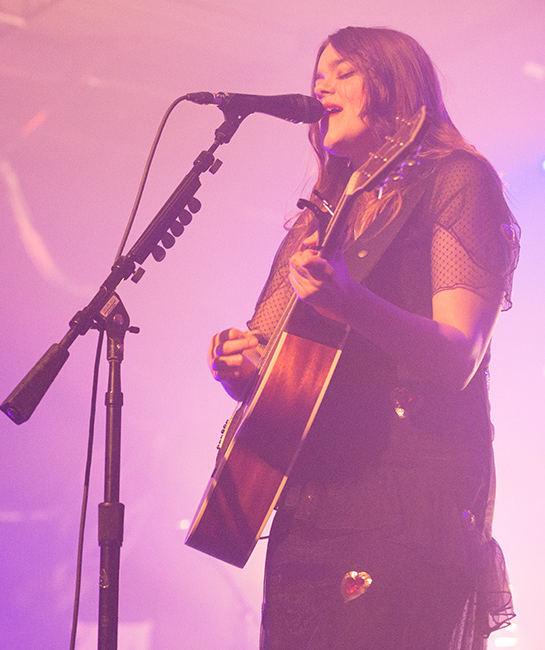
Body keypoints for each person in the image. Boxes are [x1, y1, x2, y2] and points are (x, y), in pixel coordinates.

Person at [206, 27, 519, 650]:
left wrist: (351, 303)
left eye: (344, 71)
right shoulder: (320, 215)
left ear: (395, 83)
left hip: (404, 497)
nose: (320, 84)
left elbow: (459, 353)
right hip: (310, 503)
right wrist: (240, 365)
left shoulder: (458, 179)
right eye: (319, 73)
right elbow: (276, 358)